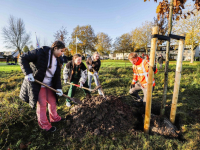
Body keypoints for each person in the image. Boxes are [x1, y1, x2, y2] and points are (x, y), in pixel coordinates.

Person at [19, 41, 65, 132]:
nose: (62, 53)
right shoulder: (41, 52)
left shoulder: (59, 59)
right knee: (42, 104)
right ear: (55, 48)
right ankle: (44, 125)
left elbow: (57, 76)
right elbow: (22, 58)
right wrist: (28, 73)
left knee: (53, 101)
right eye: (61, 50)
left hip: (50, 84)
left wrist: (59, 88)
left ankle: (54, 118)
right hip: (38, 83)